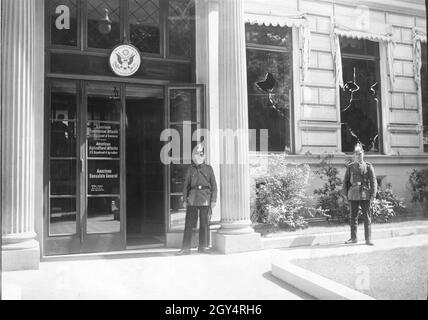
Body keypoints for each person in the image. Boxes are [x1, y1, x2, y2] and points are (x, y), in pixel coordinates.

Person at [177, 144, 217, 255]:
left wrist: (213, 200)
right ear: (194, 156)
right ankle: (185, 248)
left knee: (204, 223)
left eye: (201, 154)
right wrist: (185, 200)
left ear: (204, 156)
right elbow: (186, 186)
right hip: (193, 198)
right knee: (189, 223)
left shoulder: (209, 169)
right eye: (197, 154)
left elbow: (214, 185)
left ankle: (203, 247)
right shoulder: (190, 169)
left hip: (205, 198)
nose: (199, 157)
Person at [342, 143, 377, 246]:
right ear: (354, 155)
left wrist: (373, 195)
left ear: (363, 155)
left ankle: (368, 239)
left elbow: (373, 181)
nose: (359, 156)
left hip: (365, 193)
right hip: (353, 194)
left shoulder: (368, 166)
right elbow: (346, 181)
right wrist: (345, 194)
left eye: (360, 154)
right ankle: (353, 238)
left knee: (367, 217)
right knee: (353, 217)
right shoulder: (350, 167)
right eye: (357, 154)